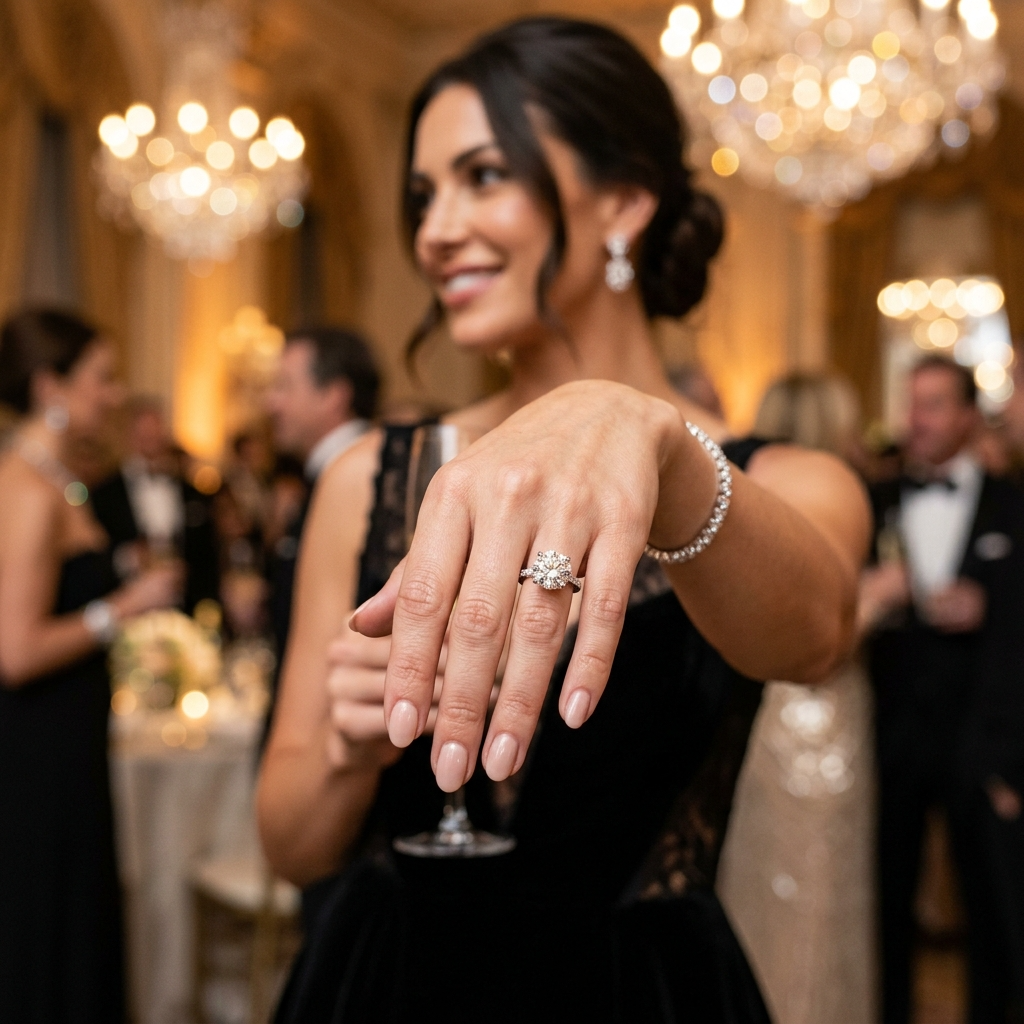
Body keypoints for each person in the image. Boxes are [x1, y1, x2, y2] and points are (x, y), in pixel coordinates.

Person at [257, 18, 869, 1023]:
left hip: (638, 993)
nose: (434, 230)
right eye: (423, 195)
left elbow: (813, 636)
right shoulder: (371, 474)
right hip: (387, 981)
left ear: (623, 200)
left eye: (483, 176)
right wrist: (348, 750)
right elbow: (288, 848)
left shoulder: (789, 478)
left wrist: (660, 444)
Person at [0, 309, 181, 1023]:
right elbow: (16, 652)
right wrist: (123, 606)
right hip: (36, 755)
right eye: (102, 378)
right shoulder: (26, 488)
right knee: (46, 928)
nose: (115, 394)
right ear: (51, 386)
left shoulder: (58, 480)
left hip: (70, 746)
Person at [861, 354, 1024, 1024]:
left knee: (992, 908)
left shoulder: (1012, 505)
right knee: (885, 903)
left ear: (966, 415)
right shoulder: (873, 501)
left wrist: (989, 609)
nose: (916, 420)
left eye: (933, 405)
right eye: (911, 404)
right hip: (892, 737)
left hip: (977, 741)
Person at [716, 372, 877, 1023]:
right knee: (817, 895)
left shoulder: (746, 496)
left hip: (760, 712)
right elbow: (824, 633)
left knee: (762, 886)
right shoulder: (826, 491)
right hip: (819, 714)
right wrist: (881, 597)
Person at [263, 327, 380, 731]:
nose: (270, 402)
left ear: (333, 395)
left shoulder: (362, 479)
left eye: (284, 386)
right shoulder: (315, 480)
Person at [90, 395, 219, 614]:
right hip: (126, 610)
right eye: (143, 433)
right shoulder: (104, 494)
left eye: (155, 431)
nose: (150, 438)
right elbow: (93, 560)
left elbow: (207, 556)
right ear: (129, 436)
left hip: (183, 609)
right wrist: (128, 558)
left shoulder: (193, 493)